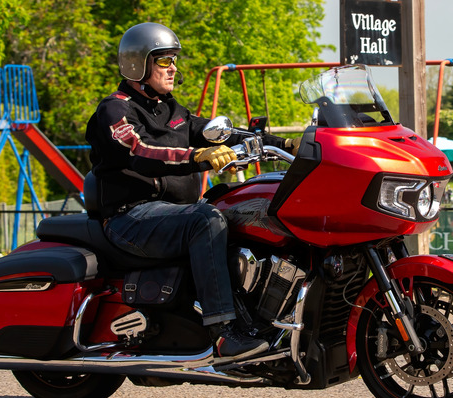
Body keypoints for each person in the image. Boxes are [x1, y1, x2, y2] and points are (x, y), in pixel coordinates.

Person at [85, 22, 301, 359]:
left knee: (249, 205)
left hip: (170, 213)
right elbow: (138, 150)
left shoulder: (172, 110)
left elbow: (219, 134)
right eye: (164, 60)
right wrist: (196, 157)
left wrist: (287, 144)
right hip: (131, 217)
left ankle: (264, 317)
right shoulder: (115, 110)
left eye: (174, 60)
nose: (173, 68)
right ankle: (224, 334)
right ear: (138, 64)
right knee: (206, 220)